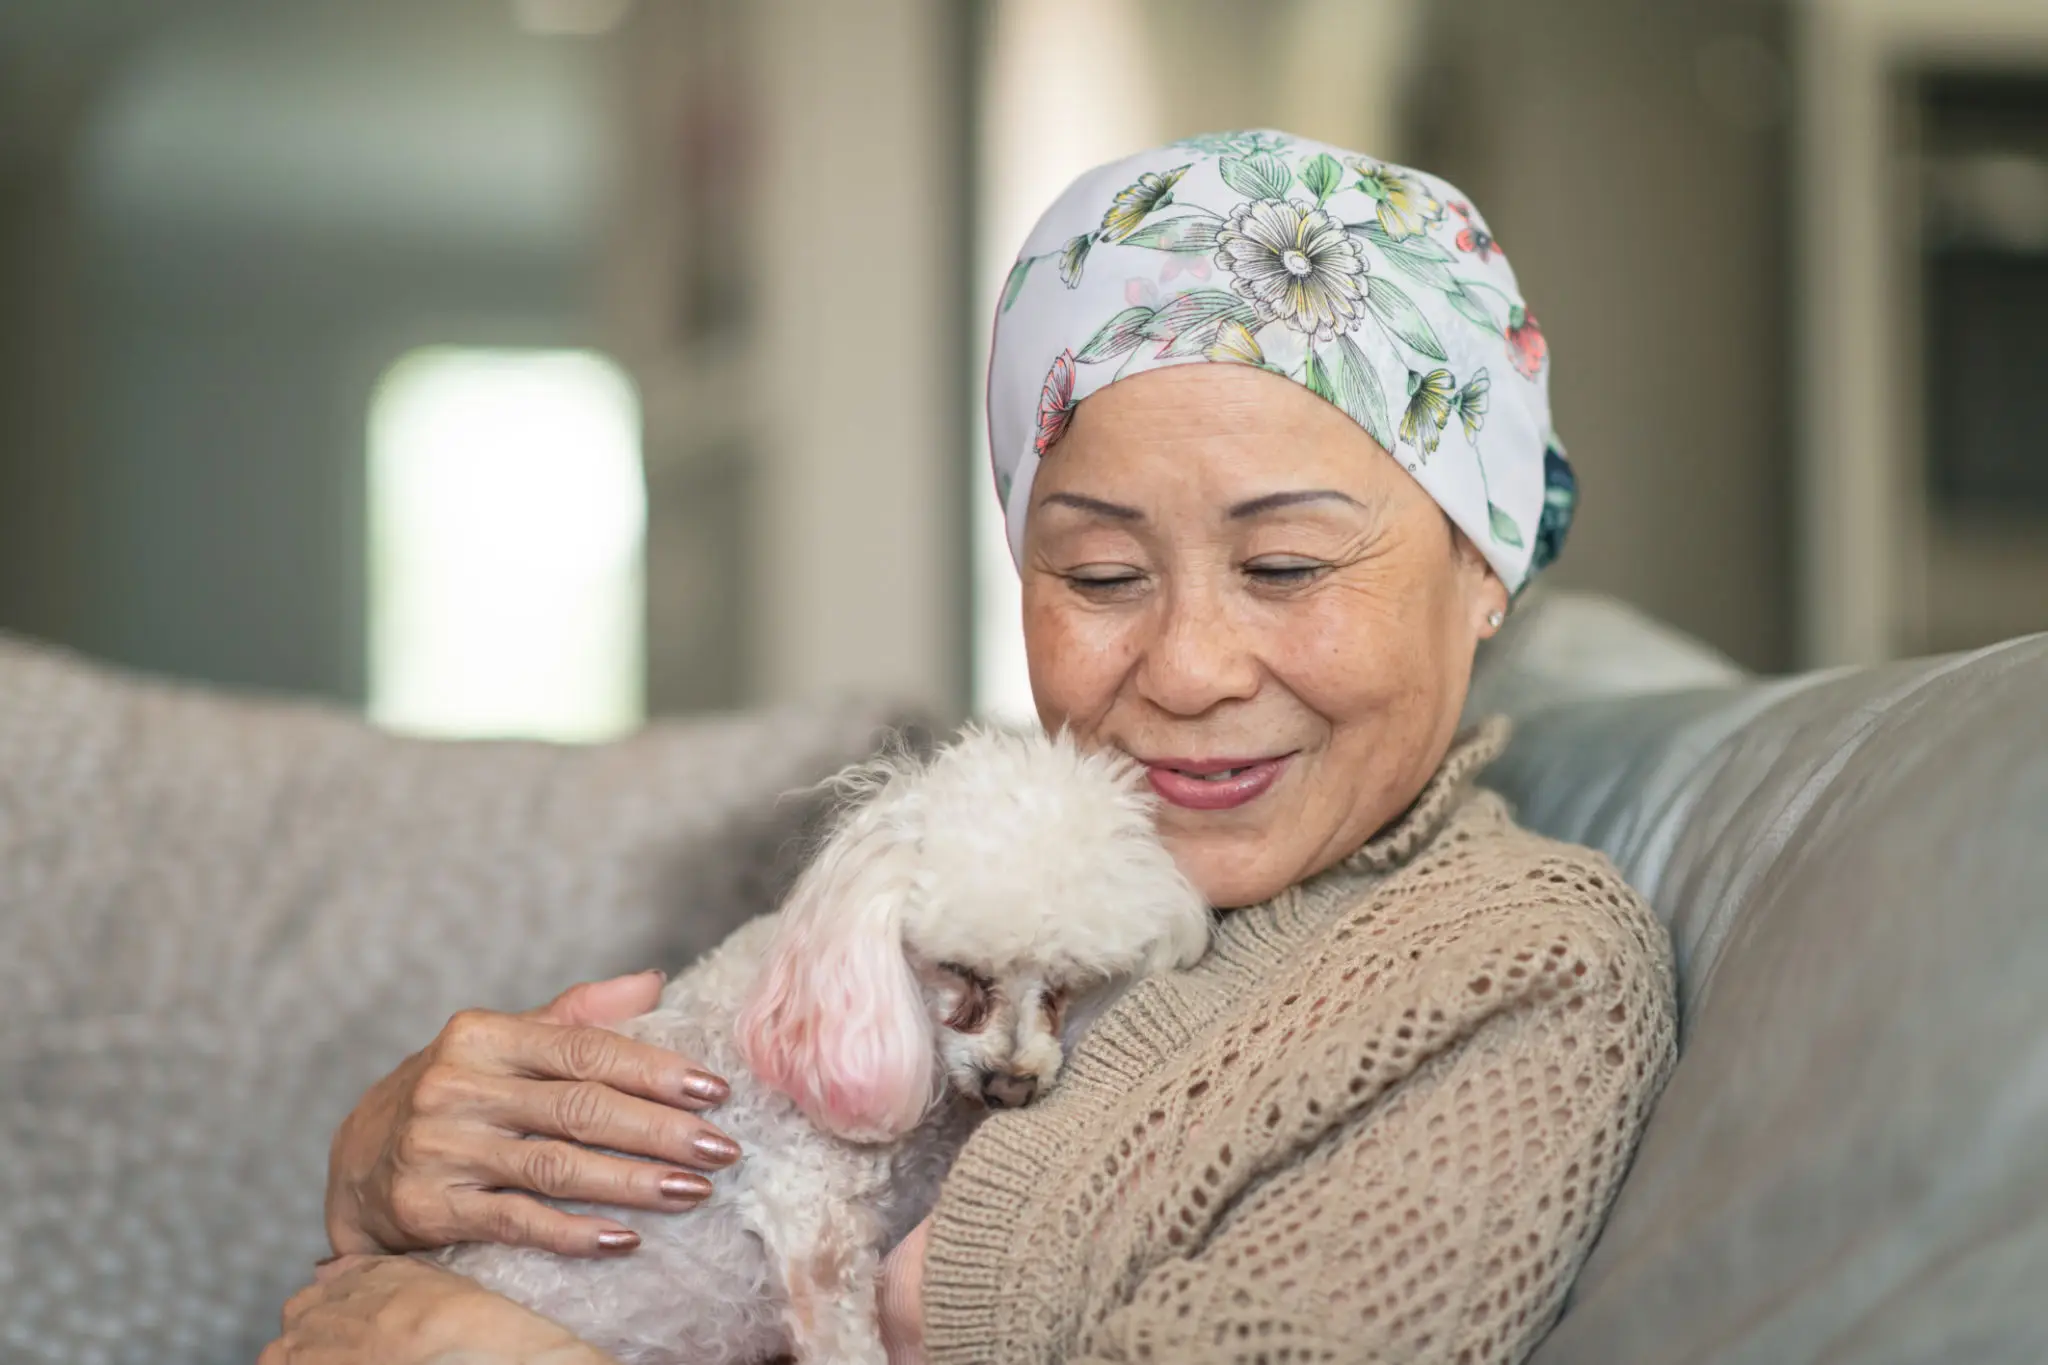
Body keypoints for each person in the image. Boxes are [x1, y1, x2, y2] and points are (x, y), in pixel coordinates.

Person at [263, 130, 1675, 1365]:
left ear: (1484, 569)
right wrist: (398, 1173)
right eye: (1102, 578)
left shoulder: (1520, 971)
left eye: (1289, 565)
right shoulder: (989, 858)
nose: (1184, 672)